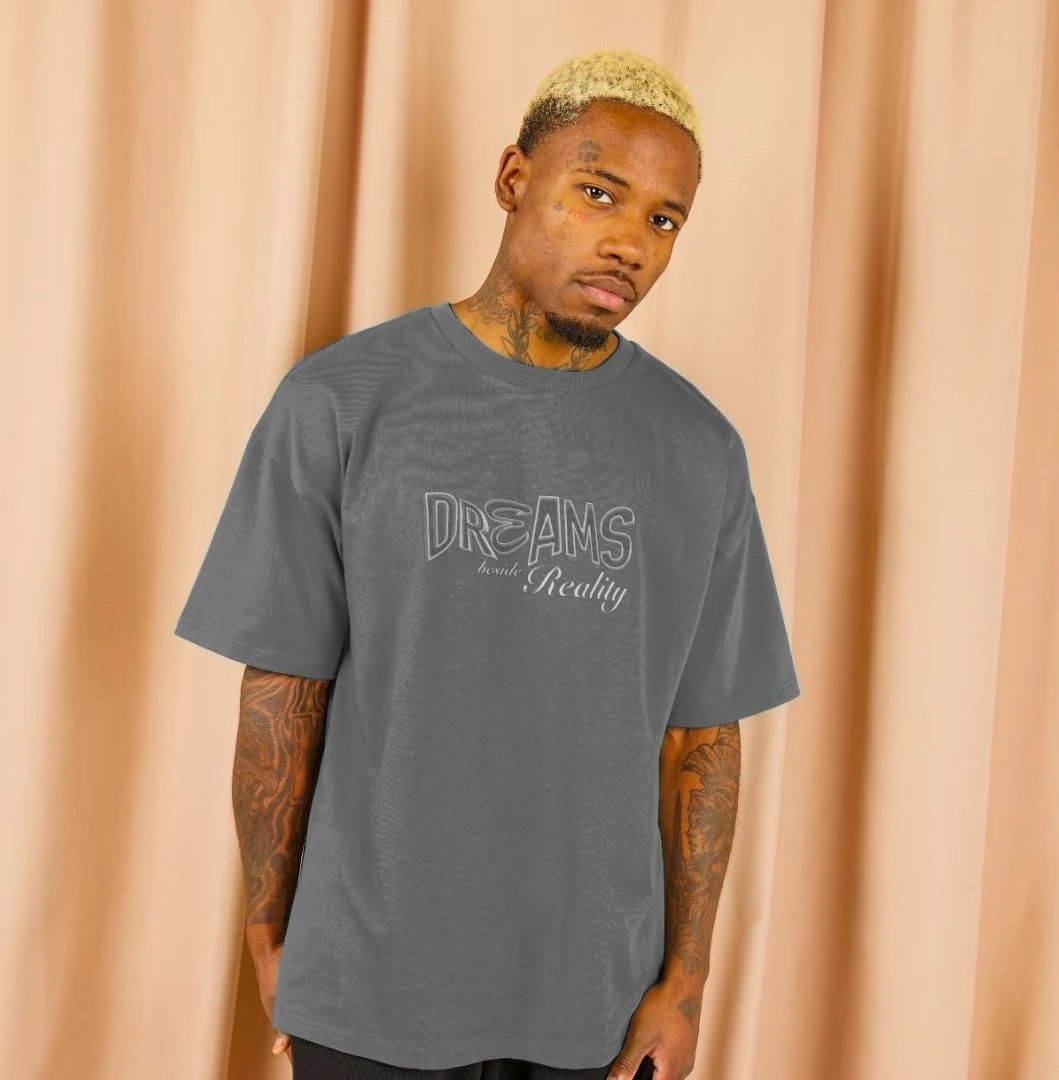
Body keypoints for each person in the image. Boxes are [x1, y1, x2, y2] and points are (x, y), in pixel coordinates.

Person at [174, 46, 801, 1080]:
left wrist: (684, 983)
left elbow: (704, 738)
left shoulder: (698, 450)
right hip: (371, 987)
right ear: (514, 177)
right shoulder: (342, 401)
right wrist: (269, 935)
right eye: (598, 193)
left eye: (664, 220)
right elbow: (283, 691)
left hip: (596, 1006)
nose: (629, 242)